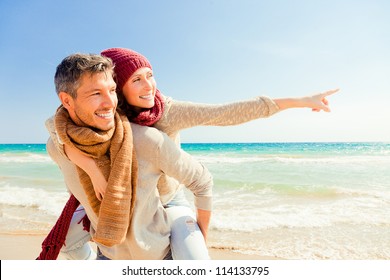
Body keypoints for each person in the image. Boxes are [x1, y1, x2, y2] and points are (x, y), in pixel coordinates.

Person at [40, 48, 338, 260]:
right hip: (121, 195)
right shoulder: (107, 110)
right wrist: (89, 168)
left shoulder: (165, 113)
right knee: (63, 242)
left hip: (168, 198)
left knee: (193, 256)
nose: (149, 86)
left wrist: (299, 101)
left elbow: (226, 114)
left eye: (150, 75)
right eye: (136, 80)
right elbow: (58, 128)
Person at [42, 53, 213, 260]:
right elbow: (58, 134)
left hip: (159, 257)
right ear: (66, 100)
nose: (109, 103)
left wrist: (200, 239)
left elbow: (202, 180)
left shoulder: (146, 139)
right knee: (66, 243)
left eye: (112, 90)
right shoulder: (57, 147)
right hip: (107, 255)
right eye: (96, 93)